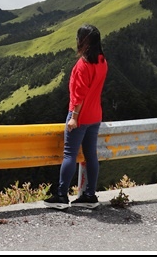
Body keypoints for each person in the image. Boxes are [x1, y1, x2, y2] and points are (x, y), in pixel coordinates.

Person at [43, 23, 108, 209]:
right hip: (95, 115)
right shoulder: (102, 61)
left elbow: (78, 96)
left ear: (83, 41)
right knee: (91, 155)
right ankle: (90, 196)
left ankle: (61, 196)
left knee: (69, 154)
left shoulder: (83, 65)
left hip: (80, 116)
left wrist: (74, 117)